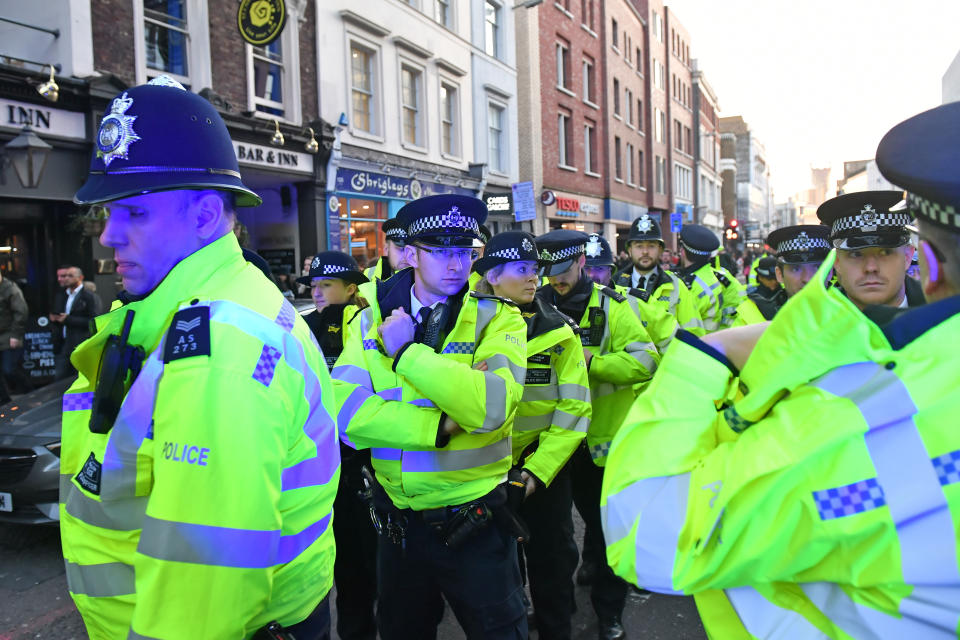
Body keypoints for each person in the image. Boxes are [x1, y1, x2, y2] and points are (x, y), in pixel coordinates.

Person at [600, 101, 960, 639]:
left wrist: (706, 358)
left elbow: (650, 532)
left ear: (919, 261)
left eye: (883, 252)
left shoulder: (901, 407)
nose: (868, 266)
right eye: (853, 254)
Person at [60, 77, 339, 639]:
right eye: (109, 214)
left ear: (206, 216)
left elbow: (205, 582)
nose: (109, 236)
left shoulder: (217, 347)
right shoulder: (207, 310)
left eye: (135, 214)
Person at [333, 193, 529, 639]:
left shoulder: (498, 321)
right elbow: (343, 412)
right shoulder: (368, 320)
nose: (456, 264)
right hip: (397, 526)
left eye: (463, 251)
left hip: (474, 522)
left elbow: (492, 407)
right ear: (410, 254)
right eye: (440, 251)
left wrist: (406, 352)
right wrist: (438, 425)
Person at [536, 229, 659, 640]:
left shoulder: (613, 307)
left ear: (581, 262)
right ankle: (559, 608)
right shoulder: (533, 304)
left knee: (607, 533)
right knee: (552, 541)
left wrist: (595, 361)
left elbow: (645, 361)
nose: (556, 280)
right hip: (551, 442)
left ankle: (609, 612)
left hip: (600, 445)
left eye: (562, 270)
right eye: (548, 272)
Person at [474, 231, 590, 640]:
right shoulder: (460, 326)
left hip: (542, 473)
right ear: (491, 276)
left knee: (553, 565)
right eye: (522, 269)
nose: (533, 279)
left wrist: (536, 473)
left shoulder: (559, 332)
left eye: (535, 270)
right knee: (494, 576)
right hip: (479, 469)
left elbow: (575, 409)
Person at [296, 251, 378, 640]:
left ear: (350, 288)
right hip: (323, 462)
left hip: (370, 460)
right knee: (344, 566)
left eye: (324, 285)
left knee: (378, 562)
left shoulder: (369, 325)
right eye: (312, 286)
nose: (316, 293)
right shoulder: (299, 327)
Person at [817, 190, 924, 309]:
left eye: (885, 252)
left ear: (908, 256)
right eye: (856, 254)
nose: (870, 267)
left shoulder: (942, 313)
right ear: (837, 261)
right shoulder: (812, 321)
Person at [612, 214, 704, 337]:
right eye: (639, 246)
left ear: (660, 249)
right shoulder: (613, 284)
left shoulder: (676, 286)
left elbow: (694, 333)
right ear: (629, 250)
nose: (645, 251)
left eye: (651, 246)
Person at [584, 233, 676, 352]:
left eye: (599, 269)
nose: (592, 275)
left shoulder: (636, 301)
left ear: (610, 271)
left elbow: (671, 343)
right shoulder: (561, 301)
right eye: (586, 269)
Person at [51, 265, 98, 379]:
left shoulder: (89, 296)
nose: (66, 278)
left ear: (80, 277)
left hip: (80, 342)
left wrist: (68, 320)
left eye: (70, 276)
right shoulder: (62, 295)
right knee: (59, 377)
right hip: (63, 341)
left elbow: (94, 321)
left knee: (78, 377)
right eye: (65, 275)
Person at [676, 225, 726, 332]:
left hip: (697, 343)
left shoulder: (692, 286)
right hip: (712, 338)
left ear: (683, 252)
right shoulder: (709, 275)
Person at [731, 257, 785, 325]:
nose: (774, 282)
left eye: (776, 279)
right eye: (770, 279)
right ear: (760, 277)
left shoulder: (787, 294)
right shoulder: (747, 294)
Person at [0, 269, 27, 404]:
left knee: (9, 369)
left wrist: (16, 334)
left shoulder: (10, 288)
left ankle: (30, 392)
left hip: (8, 334)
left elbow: (21, 312)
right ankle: (4, 401)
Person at [364, 217, 409, 281]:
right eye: (401, 249)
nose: (407, 255)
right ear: (386, 249)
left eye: (411, 250)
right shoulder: (369, 275)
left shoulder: (424, 276)